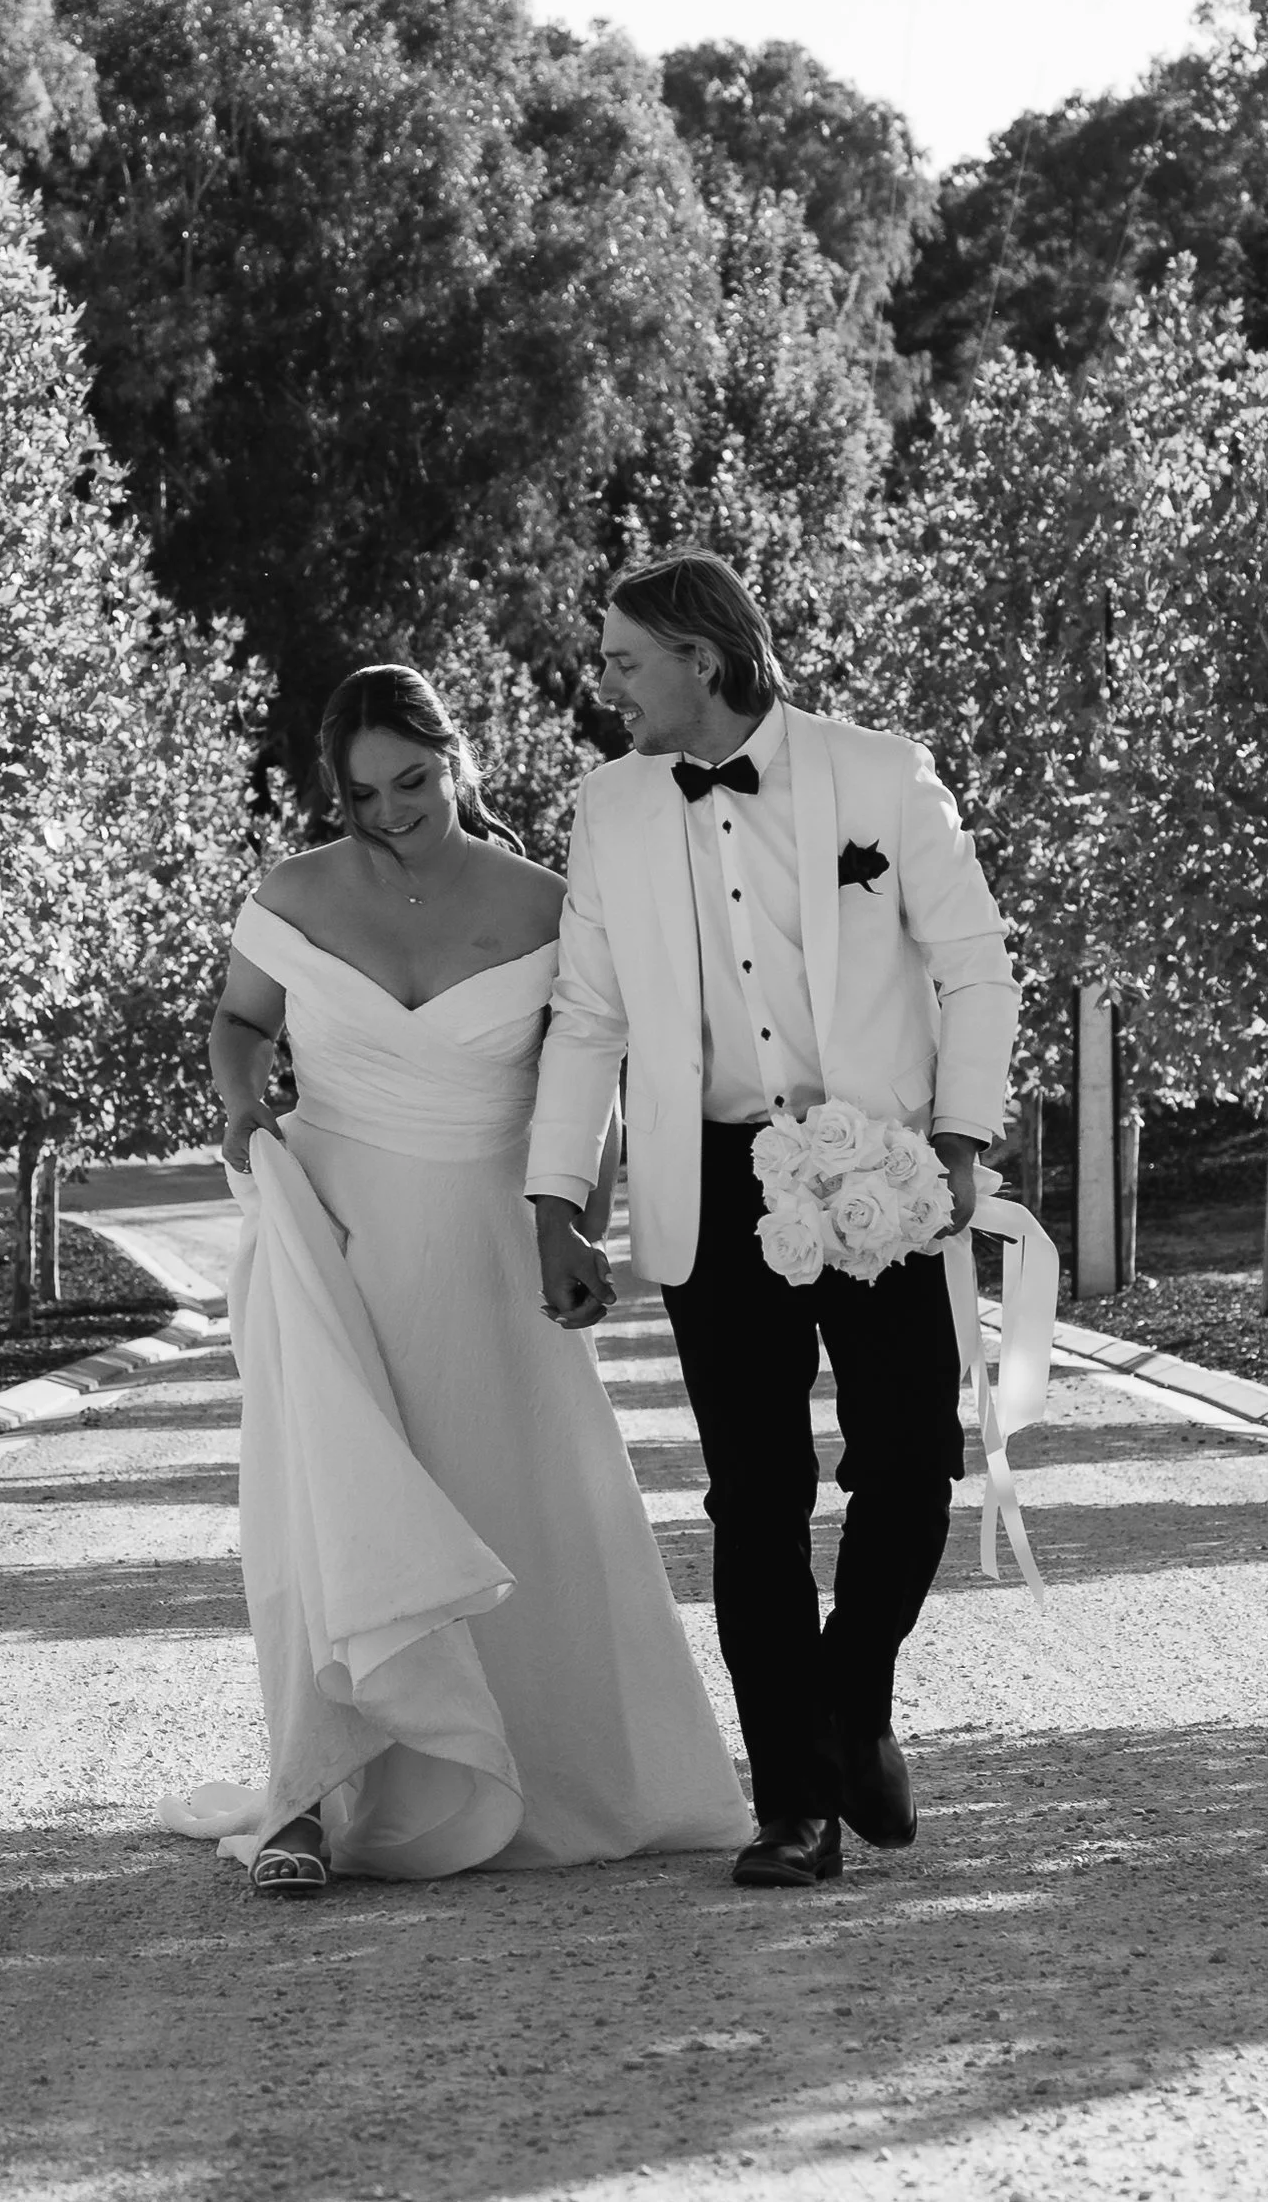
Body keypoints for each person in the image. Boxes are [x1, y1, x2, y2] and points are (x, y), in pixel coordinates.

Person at [181, 662, 750, 1894]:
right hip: (332, 1234)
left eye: (414, 780)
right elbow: (240, 1023)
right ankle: (309, 1798)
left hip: (493, 1239)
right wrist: (242, 1109)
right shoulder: (292, 892)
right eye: (362, 792)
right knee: (328, 1506)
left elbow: (582, 1076)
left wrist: (578, 1220)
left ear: (457, 756)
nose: (390, 810)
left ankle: (544, 1766)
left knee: (518, 1495)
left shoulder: (547, 903)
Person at [525, 550, 1019, 1894]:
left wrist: (963, 1138)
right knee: (754, 1503)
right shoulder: (610, 808)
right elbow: (590, 1016)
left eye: (627, 658)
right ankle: (791, 1808)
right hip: (713, 1185)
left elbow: (975, 966)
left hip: (883, 1174)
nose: (608, 682)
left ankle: (849, 1706)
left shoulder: (879, 772)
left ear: (704, 655)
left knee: (912, 1464)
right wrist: (556, 1193)